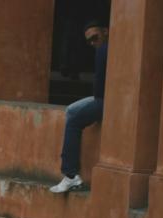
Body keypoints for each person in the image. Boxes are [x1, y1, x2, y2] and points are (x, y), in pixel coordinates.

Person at [50, 20, 109, 194]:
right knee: (71, 111)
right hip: (104, 97)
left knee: (74, 120)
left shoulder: (104, 50)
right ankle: (70, 175)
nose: (93, 43)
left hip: (107, 100)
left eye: (95, 37)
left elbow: (100, 89)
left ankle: (70, 174)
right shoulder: (104, 49)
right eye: (89, 41)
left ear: (106, 31)